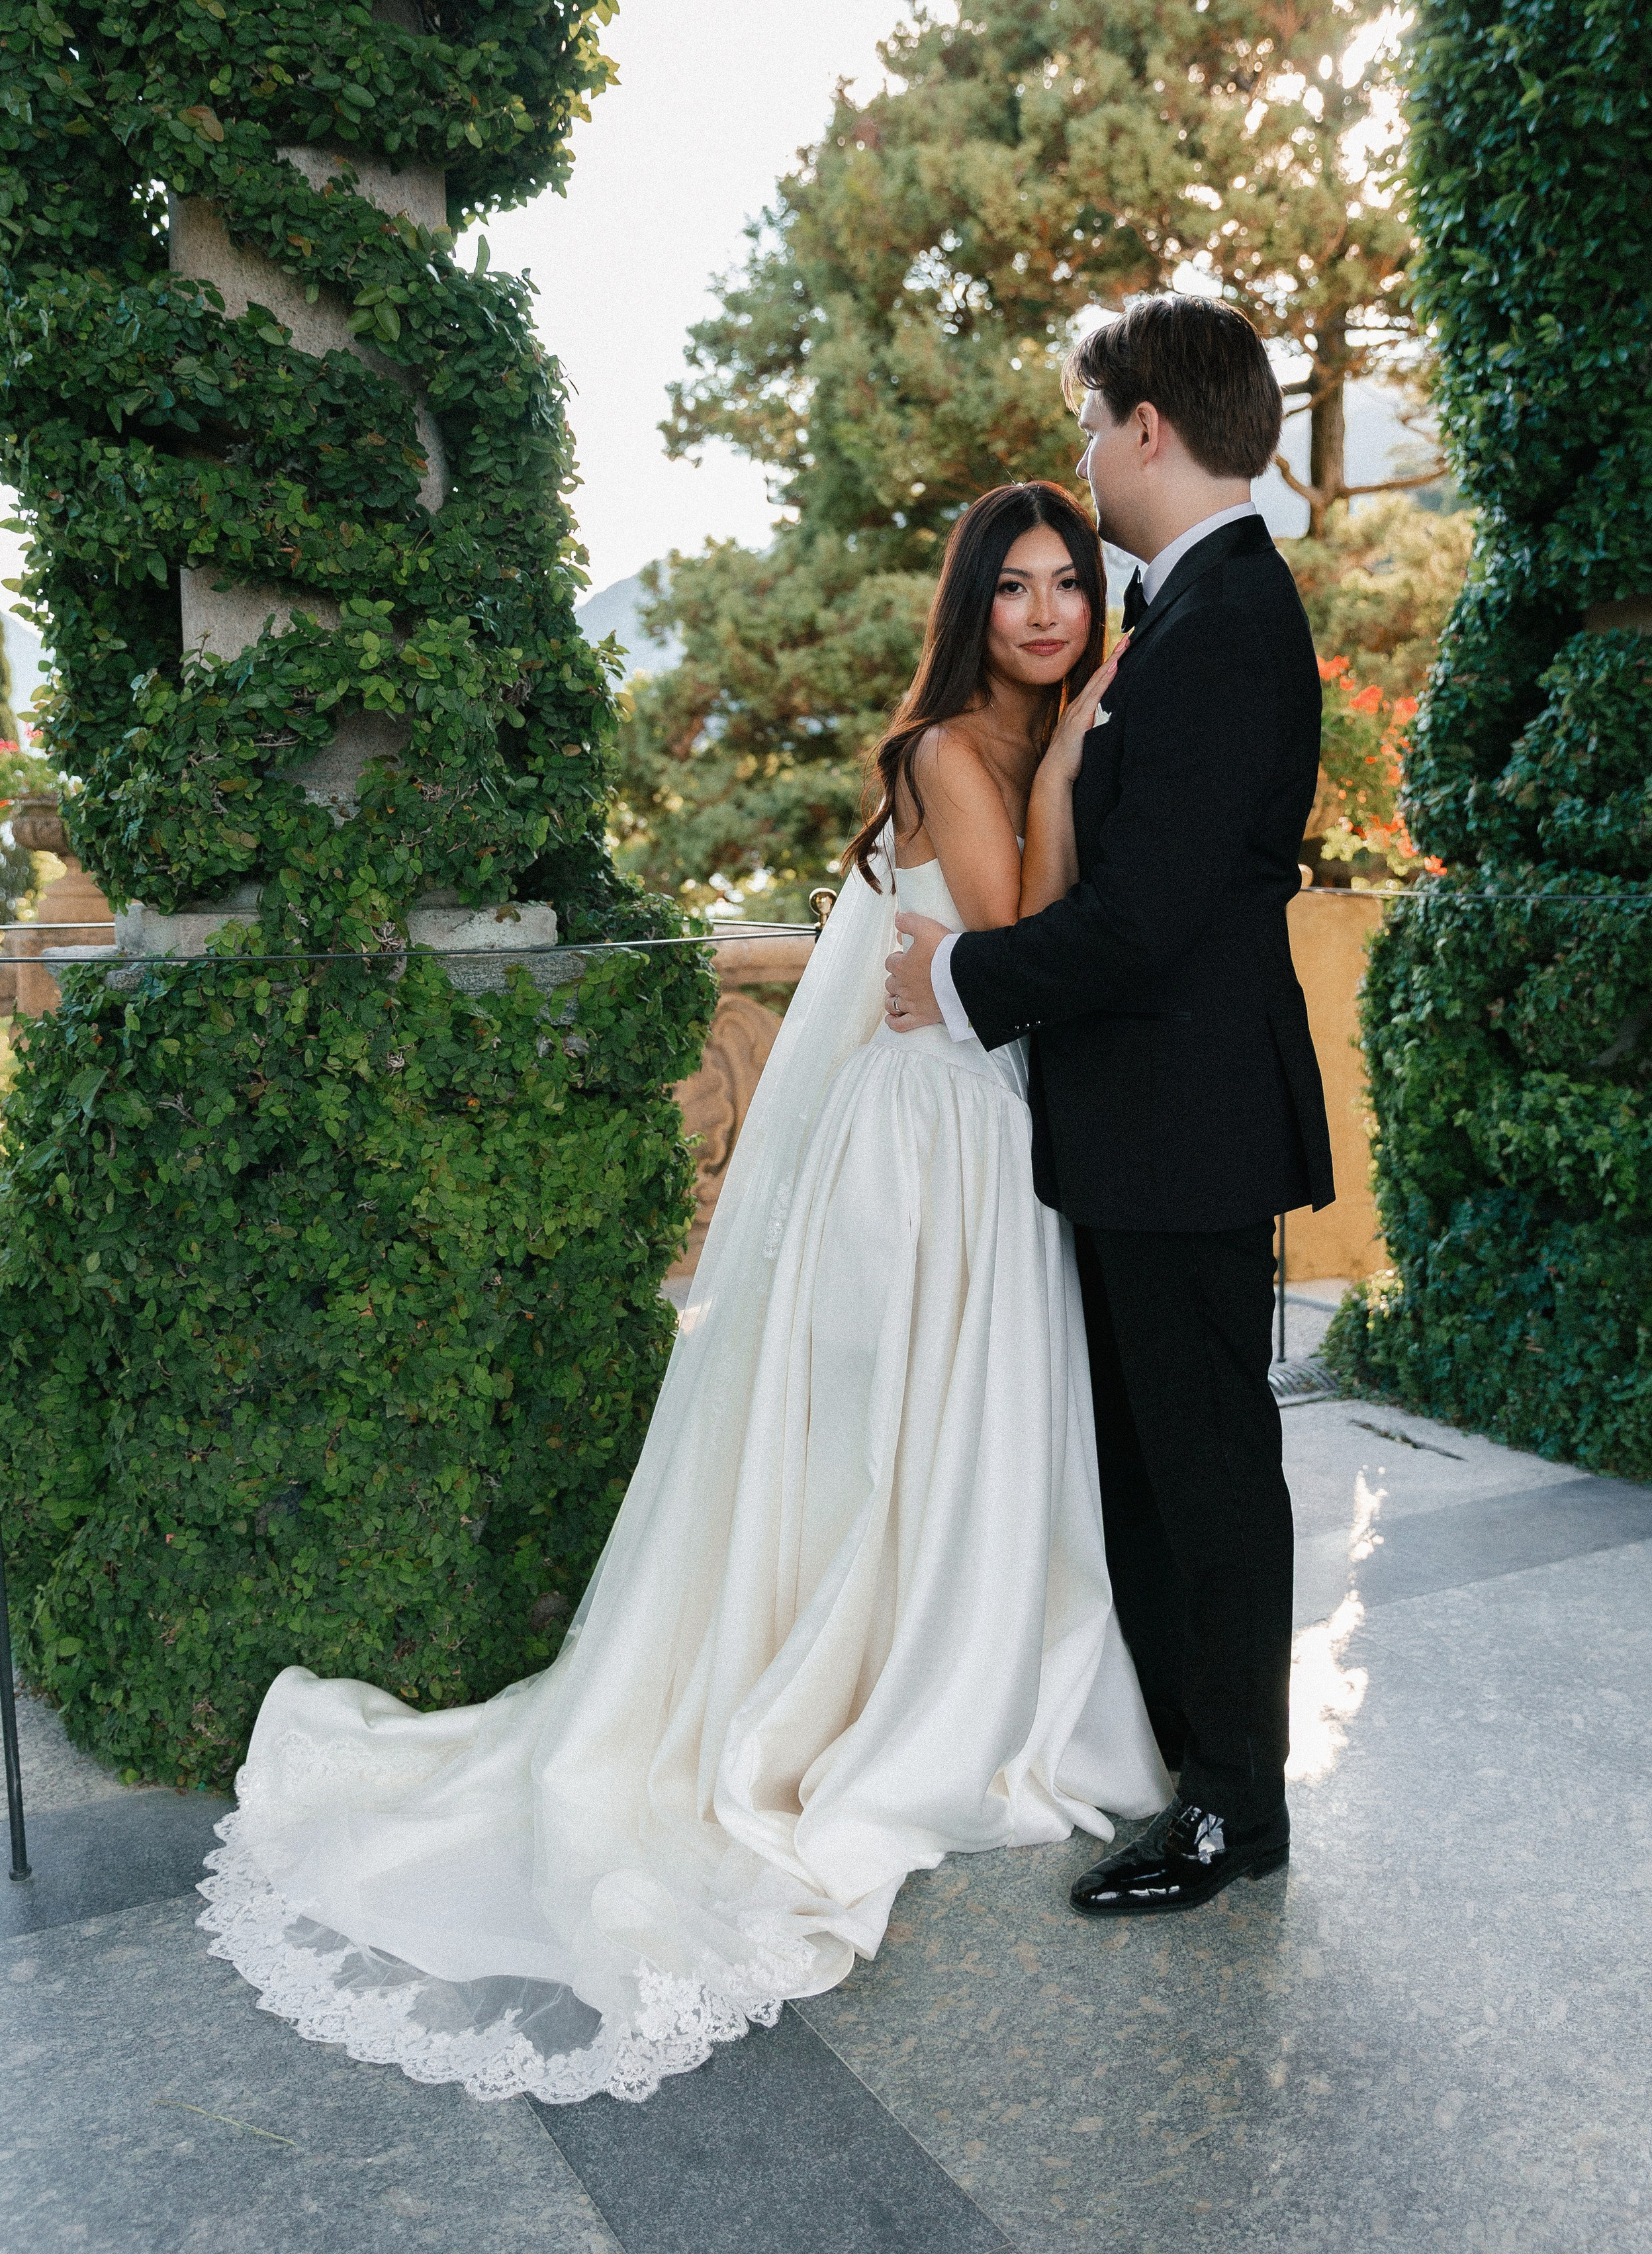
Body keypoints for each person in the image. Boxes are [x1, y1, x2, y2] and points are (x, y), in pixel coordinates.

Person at [199, 479, 1170, 2108]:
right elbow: (1018, 945)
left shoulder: (1024, 744)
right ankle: (881, 1700)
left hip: (984, 1129)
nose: (1043, 614)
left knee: (963, 1443)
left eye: (1064, 584)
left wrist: (1066, 759)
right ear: (969, 611)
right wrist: (1071, 761)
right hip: (928, 1144)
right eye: (1010, 589)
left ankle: (952, 1665)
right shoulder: (951, 750)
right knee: (894, 1449)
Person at [886, 293, 1334, 1917]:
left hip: (1182, 1123)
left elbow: (1141, 922)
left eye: (1089, 428)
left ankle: (1231, 1810)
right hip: (1146, 1122)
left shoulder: (1221, 623)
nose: (1082, 459)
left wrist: (958, 979)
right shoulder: (1192, 607)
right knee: (1151, 1465)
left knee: (1201, 1470)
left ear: (1146, 426)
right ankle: (1186, 1762)